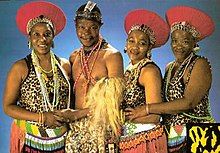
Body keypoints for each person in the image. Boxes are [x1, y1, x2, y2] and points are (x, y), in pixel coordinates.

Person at [54, 1, 124, 152]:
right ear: (75, 27)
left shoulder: (112, 56)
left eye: (93, 27)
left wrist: (78, 114)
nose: (86, 32)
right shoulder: (74, 57)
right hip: (75, 129)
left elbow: (114, 102)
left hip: (103, 128)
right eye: (82, 27)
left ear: (99, 27)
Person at [144, 6, 215, 152]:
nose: (178, 46)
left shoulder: (199, 63)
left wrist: (146, 109)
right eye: (175, 40)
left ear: (194, 43)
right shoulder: (169, 67)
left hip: (197, 134)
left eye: (185, 41)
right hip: (173, 134)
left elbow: (188, 102)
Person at [3, 1, 71, 152]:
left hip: (60, 141)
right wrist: (42, 117)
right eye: (36, 34)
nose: (42, 39)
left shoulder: (65, 65)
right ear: (30, 38)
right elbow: (8, 107)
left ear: (53, 36)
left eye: (47, 34)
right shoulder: (20, 67)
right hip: (30, 141)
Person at [119, 9, 169, 153]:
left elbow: (154, 116)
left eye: (142, 43)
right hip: (129, 138)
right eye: (131, 41)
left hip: (146, 140)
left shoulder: (149, 71)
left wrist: (122, 120)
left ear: (149, 48)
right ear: (126, 44)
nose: (135, 47)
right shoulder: (129, 68)